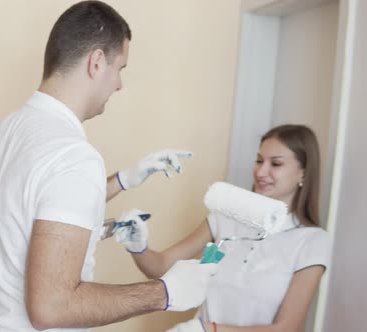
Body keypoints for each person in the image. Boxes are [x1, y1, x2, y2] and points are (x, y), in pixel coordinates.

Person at [0, 1, 219, 331]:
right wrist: (163, 292)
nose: (119, 85)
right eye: (120, 68)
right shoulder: (73, 155)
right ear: (97, 62)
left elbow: (33, 210)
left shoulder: (8, 129)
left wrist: (126, 179)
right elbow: (52, 308)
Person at [116, 124, 332, 332]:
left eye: (275, 164)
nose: (261, 171)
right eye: (259, 161)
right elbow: (161, 267)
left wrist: (207, 329)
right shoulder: (226, 220)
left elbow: (287, 328)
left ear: (303, 173)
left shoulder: (311, 241)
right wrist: (138, 248)